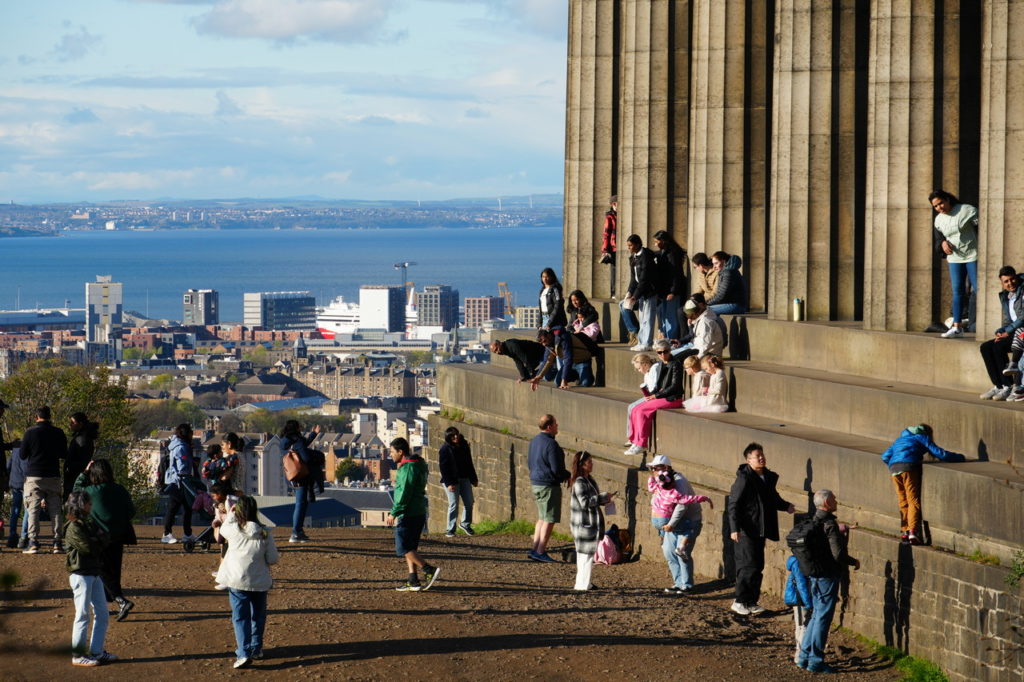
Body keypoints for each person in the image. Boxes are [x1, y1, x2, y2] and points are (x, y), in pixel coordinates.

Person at [727, 443, 796, 615]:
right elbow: (733, 504)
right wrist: (734, 528)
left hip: (760, 529)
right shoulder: (744, 478)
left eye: (762, 455)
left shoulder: (767, 477)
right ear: (748, 460)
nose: (761, 458)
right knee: (747, 565)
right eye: (757, 456)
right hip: (746, 529)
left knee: (757, 565)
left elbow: (772, 497)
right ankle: (740, 601)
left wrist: (786, 506)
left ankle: (751, 601)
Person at [796, 490, 861, 674]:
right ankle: (816, 660)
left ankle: (803, 657)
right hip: (827, 575)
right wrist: (853, 561)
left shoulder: (815, 521)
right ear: (826, 503)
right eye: (833, 499)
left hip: (814, 574)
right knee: (823, 618)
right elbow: (838, 554)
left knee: (816, 615)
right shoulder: (830, 524)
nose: (836, 501)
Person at [215, 495, 279, 669]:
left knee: (240, 617)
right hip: (259, 581)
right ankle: (256, 649)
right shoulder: (265, 533)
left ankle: (243, 653)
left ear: (239, 512)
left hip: (236, 581)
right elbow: (273, 558)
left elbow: (222, 530)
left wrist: (231, 512)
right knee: (257, 616)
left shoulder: (233, 530)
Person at [73, 459, 136, 622]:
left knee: (100, 570)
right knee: (114, 571)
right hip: (119, 534)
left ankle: (120, 600)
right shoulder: (120, 489)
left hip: (99, 536)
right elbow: (131, 511)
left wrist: (84, 473)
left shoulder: (89, 491)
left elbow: (75, 492)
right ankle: (112, 601)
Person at [880, 424, 965, 545]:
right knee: (913, 500)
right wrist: (959, 457)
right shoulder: (922, 437)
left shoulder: (899, 440)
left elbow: (884, 456)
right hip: (909, 467)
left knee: (903, 501)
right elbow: (940, 453)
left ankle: (905, 532)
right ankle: (913, 531)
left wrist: (894, 463)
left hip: (894, 469)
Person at [63, 490, 117, 667]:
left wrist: (96, 539)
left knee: (102, 613)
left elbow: (105, 538)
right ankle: (78, 655)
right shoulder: (74, 527)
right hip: (81, 574)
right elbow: (89, 548)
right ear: (80, 505)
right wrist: (97, 539)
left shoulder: (88, 523)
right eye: (87, 503)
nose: (90, 506)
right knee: (82, 614)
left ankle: (96, 651)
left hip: (93, 573)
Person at [647, 454, 713, 594]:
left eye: (656, 468)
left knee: (682, 552)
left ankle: (687, 585)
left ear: (666, 468)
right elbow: (656, 498)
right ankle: (678, 582)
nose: (654, 471)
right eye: (652, 468)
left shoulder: (678, 481)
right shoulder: (660, 482)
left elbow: (682, 506)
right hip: (673, 523)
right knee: (669, 552)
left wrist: (670, 524)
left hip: (687, 521)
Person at [386, 437, 439, 592]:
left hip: (408, 512)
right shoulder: (419, 464)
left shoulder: (407, 468)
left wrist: (393, 513)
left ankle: (428, 569)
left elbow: (404, 493)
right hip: (418, 511)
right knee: (411, 548)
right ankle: (413, 580)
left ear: (400, 452)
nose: (391, 455)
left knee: (403, 547)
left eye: (392, 452)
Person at [930, 189, 979, 337]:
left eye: (941, 203)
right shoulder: (938, 220)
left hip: (973, 255)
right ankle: (957, 326)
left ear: (947, 199)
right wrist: (943, 244)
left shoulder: (967, 210)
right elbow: (938, 240)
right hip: (955, 259)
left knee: (978, 289)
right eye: (936, 206)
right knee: (957, 291)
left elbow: (985, 228)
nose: (940, 208)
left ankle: (987, 321)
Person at [21, 405, 68, 554]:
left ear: (36, 417)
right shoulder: (58, 432)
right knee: (55, 510)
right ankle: (57, 542)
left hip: (34, 475)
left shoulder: (30, 433)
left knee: (33, 509)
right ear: (50, 416)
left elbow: (22, 455)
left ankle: (33, 541)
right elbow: (63, 454)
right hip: (53, 475)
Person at [625, 340, 683, 455]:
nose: (662, 355)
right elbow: (659, 385)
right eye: (659, 352)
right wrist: (653, 395)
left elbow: (675, 386)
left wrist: (656, 395)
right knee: (635, 409)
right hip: (663, 396)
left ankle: (642, 444)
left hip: (673, 398)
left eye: (665, 352)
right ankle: (636, 442)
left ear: (669, 350)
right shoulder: (662, 364)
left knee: (642, 410)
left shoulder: (676, 365)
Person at [568, 451, 615, 591]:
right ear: (582, 465)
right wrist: (602, 497)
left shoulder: (589, 480)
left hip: (588, 523)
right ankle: (582, 585)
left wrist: (604, 500)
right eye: (589, 462)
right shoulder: (580, 482)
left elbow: (591, 501)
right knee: (585, 555)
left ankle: (584, 583)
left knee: (586, 554)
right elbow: (584, 502)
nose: (592, 464)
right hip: (583, 524)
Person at [526, 414, 570, 562]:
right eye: (556, 424)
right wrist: (567, 475)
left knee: (541, 518)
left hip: (536, 482)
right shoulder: (551, 444)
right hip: (548, 484)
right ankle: (540, 550)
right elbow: (556, 469)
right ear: (550, 426)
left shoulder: (534, 441)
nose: (558, 427)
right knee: (549, 519)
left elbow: (530, 461)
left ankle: (535, 548)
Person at [979, 267, 1024, 400]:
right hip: (1012, 332)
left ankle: (1008, 385)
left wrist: (1008, 331)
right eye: (1006, 281)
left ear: (1016, 278)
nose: (1010, 283)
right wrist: (1001, 331)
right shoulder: (1005, 296)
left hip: (1021, 333)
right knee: (986, 347)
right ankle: (999, 385)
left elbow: (1022, 317)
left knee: (998, 347)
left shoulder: (1022, 292)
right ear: (1001, 282)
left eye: (1012, 279)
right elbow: (1007, 320)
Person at [279, 419, 322, 543]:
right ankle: (296, 533)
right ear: (296, 428)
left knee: (300, 503)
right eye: (299, 427)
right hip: (302, 476)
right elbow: (306, 457)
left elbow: (302, 445)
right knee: (301, 505)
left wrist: (313, 434)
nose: (301, 429)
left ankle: (298, 531)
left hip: (292, 476)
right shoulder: (297, 441)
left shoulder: (285, 441)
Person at [438, 426, 478, 537]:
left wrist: (473, 478)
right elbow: (443, 467)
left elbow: (469, 462)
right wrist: (449, 483)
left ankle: (465, 524)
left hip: (465, 478)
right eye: (453, 435)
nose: (456, 437)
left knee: (469, 502)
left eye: (457, 434)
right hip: (452, 480)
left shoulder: (464, 445)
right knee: (454, 504)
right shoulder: (445, 449)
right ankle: (450, 529)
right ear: (448, 437)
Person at [619, 234, 657, 351]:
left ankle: (647, 343)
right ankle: (641, 341)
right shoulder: (634, 257)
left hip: (649, 291)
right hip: (640, 292)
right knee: (642, 317)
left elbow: (644, 279)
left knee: (648, 318)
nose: (629, 248)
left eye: (630, 245)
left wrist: (635, 296)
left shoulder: (646, 256)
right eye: (628, 245)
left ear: (637, 244)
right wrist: (629, 293)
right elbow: (634, 278)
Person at [162, 423, 197, 545]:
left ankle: (187, 533)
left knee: (186, 507)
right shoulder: (181, 447)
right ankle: (167, 534)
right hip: (180, 481)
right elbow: (182, 464)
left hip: (179, 480)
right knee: (175, 507)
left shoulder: (179, 445)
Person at [530, 328, 595, 389]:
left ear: (549, 335)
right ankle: (578, 376)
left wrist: (564, 379)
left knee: (586, 383)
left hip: (582, 361)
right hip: (570, 364)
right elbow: (547, 361)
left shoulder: (563, 337)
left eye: (544, 341)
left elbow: (568, 358)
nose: (544, 344)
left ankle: (586, 376)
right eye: (541, 343)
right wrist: (538, 377)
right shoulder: (549, 344)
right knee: (557, 382)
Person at [653, 230, 687, 341]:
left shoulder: (672, 253)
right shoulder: (664, 252)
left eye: (656, 241)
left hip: (672, 291)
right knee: (665, 315)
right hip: (664, 290)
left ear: (663, 241)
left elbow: (676, 273)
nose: (655, 244)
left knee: (671, 316)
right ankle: (666, 338)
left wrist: (673, 291)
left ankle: (671, 340)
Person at [672, 293, 725, 360]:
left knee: (673, 357)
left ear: (694, 313)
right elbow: (693, 335)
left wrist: (696, 359)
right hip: (697, 348)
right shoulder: (700, 319)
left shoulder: (706, 322)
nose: (688, 318)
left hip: (709, 354)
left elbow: (706, 345)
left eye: (689, 315)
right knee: (670, 353)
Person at [625, 352, 661, 446]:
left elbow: (654, 386)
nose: (638, 371)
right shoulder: (647, 373)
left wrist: (648, 392)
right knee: (631, 407)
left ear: (645, 364)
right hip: (650, 396)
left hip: (655, 396)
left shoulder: (655, 368)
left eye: (639, 368)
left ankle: (633, 437)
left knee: (634, 408)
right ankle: (631, 437)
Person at [785, 554, 813, 665]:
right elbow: (801, 585)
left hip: (799, 598)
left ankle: (801, 651)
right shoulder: (799, 562)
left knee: (801, 625)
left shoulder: (797, 560)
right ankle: (800, 653)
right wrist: (808, 604)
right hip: (800, 599)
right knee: (803, 626)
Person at [64, 413, 97, 501]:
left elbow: (82, 460)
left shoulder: (82, 439)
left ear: (80, 424)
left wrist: (69, 468)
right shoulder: (81, 437)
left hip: (75, 477)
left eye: (73, 422)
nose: (70, 424)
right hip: (76, 475)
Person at [707, 250, 748, 314]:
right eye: (713, 264)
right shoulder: (726, 272)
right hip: (731, 304)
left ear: (724, 261)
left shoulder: (728, 272)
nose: (714, 267)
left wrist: (706, 303)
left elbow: (721, 295)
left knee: (702, 310)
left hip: (735, 306)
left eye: (716, 263)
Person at [600, 195, 618, 298]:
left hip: (621, 246)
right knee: (614, 270)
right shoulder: (610, 217)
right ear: (614, 204)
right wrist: (605, 250)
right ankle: (614, 291)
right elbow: (606, 234)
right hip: (614, 247)